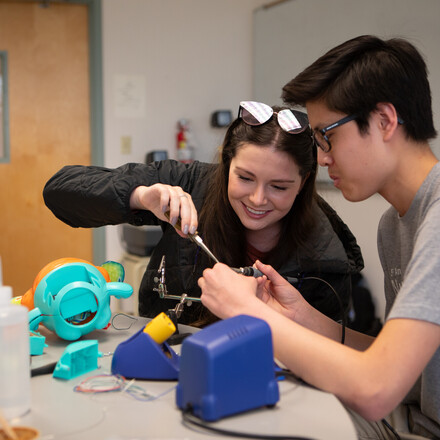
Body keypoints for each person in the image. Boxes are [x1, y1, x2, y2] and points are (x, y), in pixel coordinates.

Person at [198, 36, 440, 439]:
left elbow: (376, 388)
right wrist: (303, 320)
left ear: (384, 120)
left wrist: (249, 312)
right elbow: (408, 372)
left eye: (326, 135)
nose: (323, 157)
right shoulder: (393, 226)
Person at [43, 101, 363, 327]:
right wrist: (141, 196)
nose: (257, 199)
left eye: (278, 186)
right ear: (226, 165)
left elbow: (327, 361)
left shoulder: (326, 258)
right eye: (245, 178)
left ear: (303, 182)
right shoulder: (192, 183)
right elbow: (59, 191)